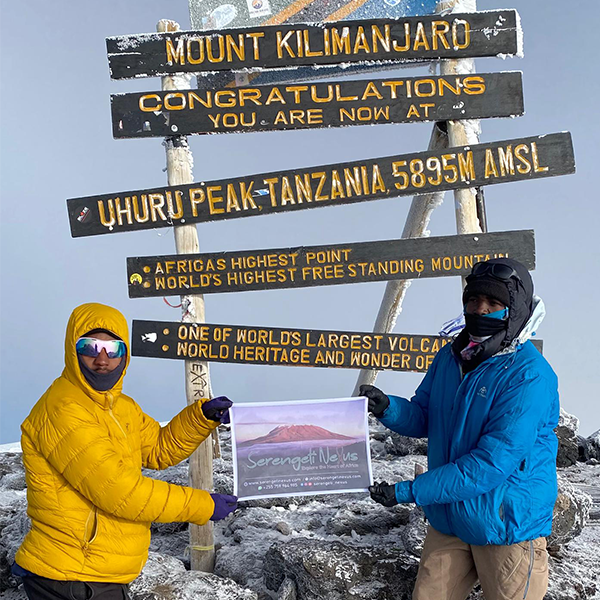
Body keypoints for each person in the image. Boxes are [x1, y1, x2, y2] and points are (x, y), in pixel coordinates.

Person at [362, 258, 559, 600]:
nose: (480, 309)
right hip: (450, 519)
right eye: (473, 301)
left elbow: (489, 464)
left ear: (515, 310)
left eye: (494, 303)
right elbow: (425, 414)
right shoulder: (451, 357)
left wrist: (408, 491)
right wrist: (388, 408)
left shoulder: (529, 376)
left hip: (503, 524)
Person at [12, 302, 237, 600]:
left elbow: (159, 450)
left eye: (113, 349)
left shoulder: (121, 407)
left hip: (97, 572)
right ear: (72, 349)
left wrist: (201, 418)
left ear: (125, 354)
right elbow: (119, 492)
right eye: (90, 347)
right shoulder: (63, 408)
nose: (102, 359)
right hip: (72, 576)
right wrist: (202, 505)